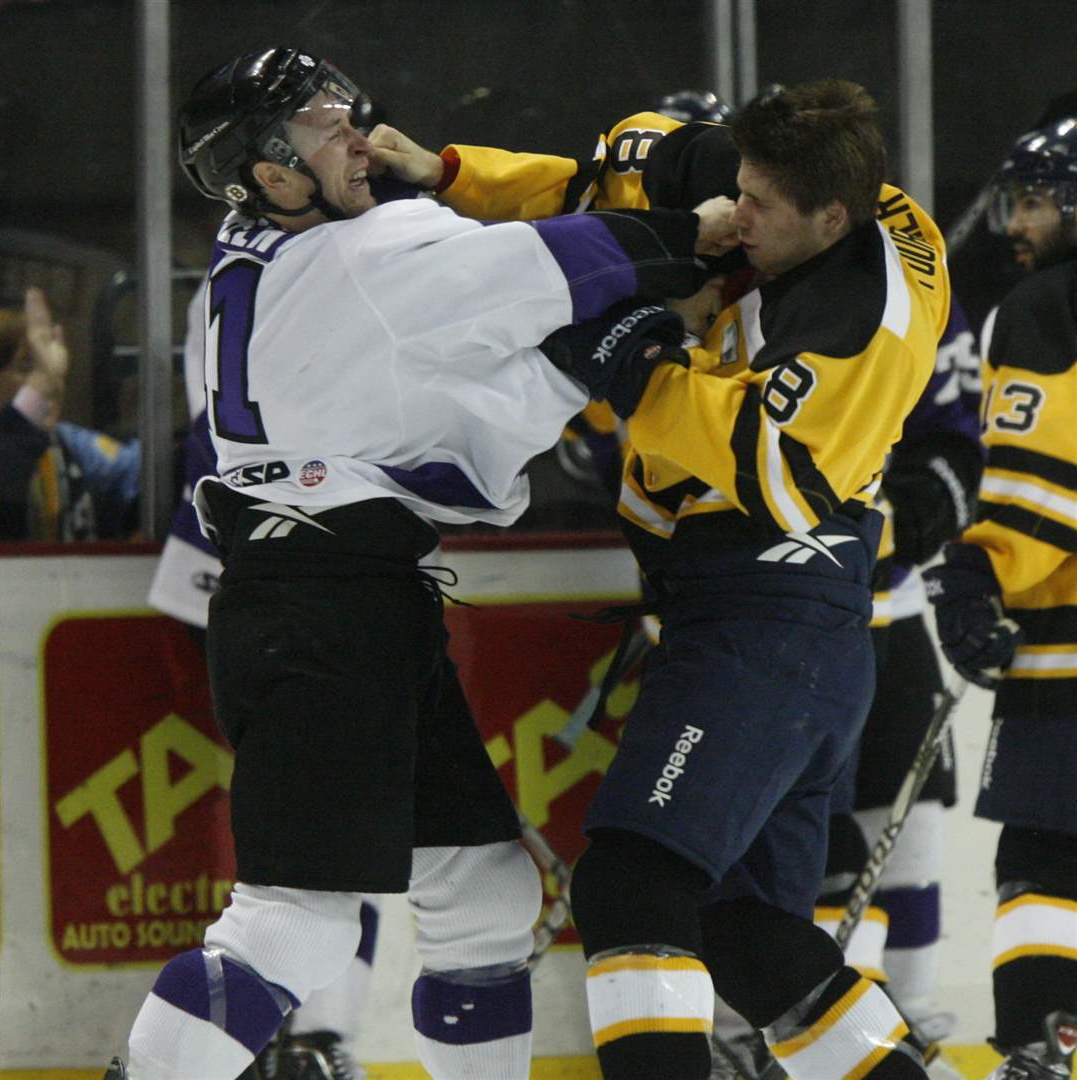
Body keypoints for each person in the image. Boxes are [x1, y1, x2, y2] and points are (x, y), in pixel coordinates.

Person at [103, 45, 735, 1080]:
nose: (357, 133)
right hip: (323, 621)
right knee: (293, 924)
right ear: (270, 176)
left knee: (482, 892)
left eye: (347, 108)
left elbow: (425, 399)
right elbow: (551, 266)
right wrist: (695, 237)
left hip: (335, 598)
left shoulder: (257, 254)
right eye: (322, 127)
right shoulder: (367, 257)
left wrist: (575, 357)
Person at [381, 78, 950, 1080]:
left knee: (631, 888)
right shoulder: (775, 189)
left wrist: (637, 356)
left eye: (762, 210)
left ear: (833, 216)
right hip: (778, 629)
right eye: (739, 188)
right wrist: (454, 174)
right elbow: (608, 183)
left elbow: (769, 472)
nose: (737, 218)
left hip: (768, 619)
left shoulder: (867, 317)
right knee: (746, 935)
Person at [147, 282, 382, 1080]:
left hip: (222, 550)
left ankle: (272, 1030)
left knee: (286, 810)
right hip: (312, 554)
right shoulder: (349, 256)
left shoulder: (238, 252)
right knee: (343, 813)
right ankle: (315, 1035)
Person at [924, 116, 1077, 1080]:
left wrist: (979, 571)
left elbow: (1040, 483)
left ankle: (1042, 1042)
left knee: (1043, 857)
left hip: (1068, 648)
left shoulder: (1044, 307)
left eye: (1034, 199)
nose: (1016, 220)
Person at [0, 286, 139, 541]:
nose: (55, 382)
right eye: (27, 367)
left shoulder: (66, 441)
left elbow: (140, 472)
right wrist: (41, 386)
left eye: (49, 368)